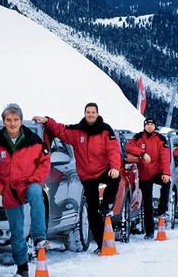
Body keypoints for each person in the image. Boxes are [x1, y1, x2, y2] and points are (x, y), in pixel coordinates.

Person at [33, 103, 121, 255]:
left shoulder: (106, 130)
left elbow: (113, 150)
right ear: (85, 113)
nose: (90, 115)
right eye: (88, 112)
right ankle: (102, 245)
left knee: (115, 179)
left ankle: (106, 205)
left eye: (93, 112)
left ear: (97, 114)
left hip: (103, 169)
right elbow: (60, 130)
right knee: (93, 212)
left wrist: (114, 167)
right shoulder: (77, 130)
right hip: (87, 175)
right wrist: (48, 120)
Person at [0, 104, 50, 277]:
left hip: (28, 183)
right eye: (8, 120)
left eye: (16, 120)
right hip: (8, 191)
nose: (12, 123)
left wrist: (34, 180)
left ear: (21, 121)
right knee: (16, 231)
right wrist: (0, 188)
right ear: (4, 122)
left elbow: (44, 163)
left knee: (37, 192)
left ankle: (39, 237)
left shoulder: (34, 140)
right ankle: (22, 268)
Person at [126, 118, 171, 238]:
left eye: (152, 124)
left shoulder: (161, 139)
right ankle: (149, 231)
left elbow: (165, 157)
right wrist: (142, 153)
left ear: (155, 126)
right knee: (147, 203)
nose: (149, 126)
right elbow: (129, 147)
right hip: (144, 174)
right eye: (147, 124)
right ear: (144, 126)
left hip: (157, 171)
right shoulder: (138, 137)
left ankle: (162, 210)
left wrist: (166, 173)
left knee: (167, 182)